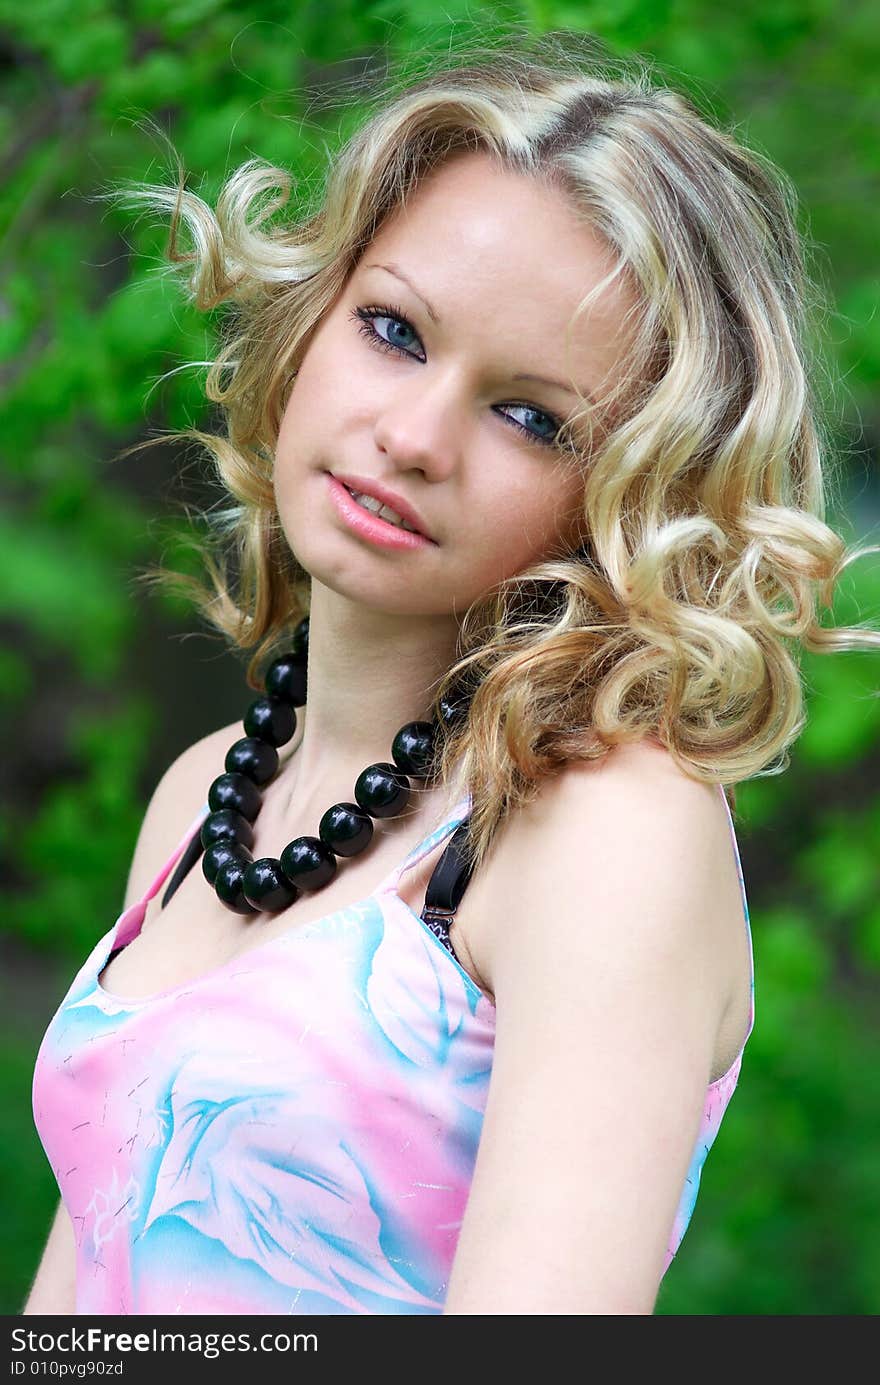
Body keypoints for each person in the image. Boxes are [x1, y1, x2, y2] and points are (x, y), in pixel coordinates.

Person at [23, 39, 878, 1316]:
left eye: (531, 417)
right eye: (393, 330)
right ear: (312, 314)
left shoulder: (599, 829)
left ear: (631, 487)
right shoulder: (205, 796)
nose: (413, 437)